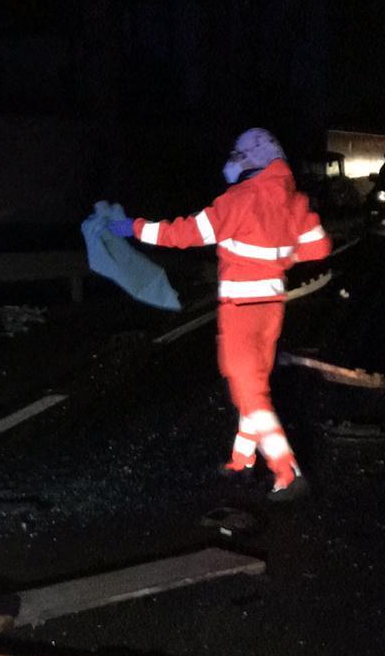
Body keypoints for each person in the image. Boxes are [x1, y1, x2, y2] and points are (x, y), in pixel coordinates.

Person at [111, 128, 331, 501]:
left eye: (236, 156)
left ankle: (287, 472)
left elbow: (180, 234)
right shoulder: (294, 201)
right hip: (271, 309)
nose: (231, 162)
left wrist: (132, 228)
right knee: (253, 385)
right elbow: (318, 248)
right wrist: (280, 257)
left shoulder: (238, 200)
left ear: (249, 161)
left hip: (241, 312)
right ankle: (241, 458)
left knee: (249, 390)